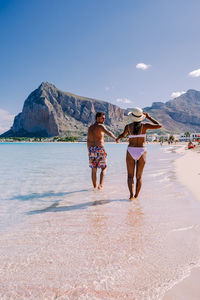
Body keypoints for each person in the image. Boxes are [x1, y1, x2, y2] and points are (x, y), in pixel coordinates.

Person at [116, 107, 162, 200]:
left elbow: (123, 135)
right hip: (142, 150)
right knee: (139, 177)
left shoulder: (128, 127)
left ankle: (131, 195)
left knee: (130, 176)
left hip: (131, 150)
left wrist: (118, 138)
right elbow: (159, 125)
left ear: (132, 117)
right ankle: (136, 196)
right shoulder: (145, 126)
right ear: (141, 117)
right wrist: (149, 117)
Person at [87, 112, 116, 190]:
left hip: (91, 150)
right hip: (100, 149)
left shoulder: (90, 128)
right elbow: (108, 132)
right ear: (97, 118)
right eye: (102, 118)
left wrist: (89, 151)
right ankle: (100, 185)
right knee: (104, 168)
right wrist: (115, 138)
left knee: (94, 169)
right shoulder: (100, 126)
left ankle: (94, 187)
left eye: (104, 118)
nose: (104, 119)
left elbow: (88, 141)